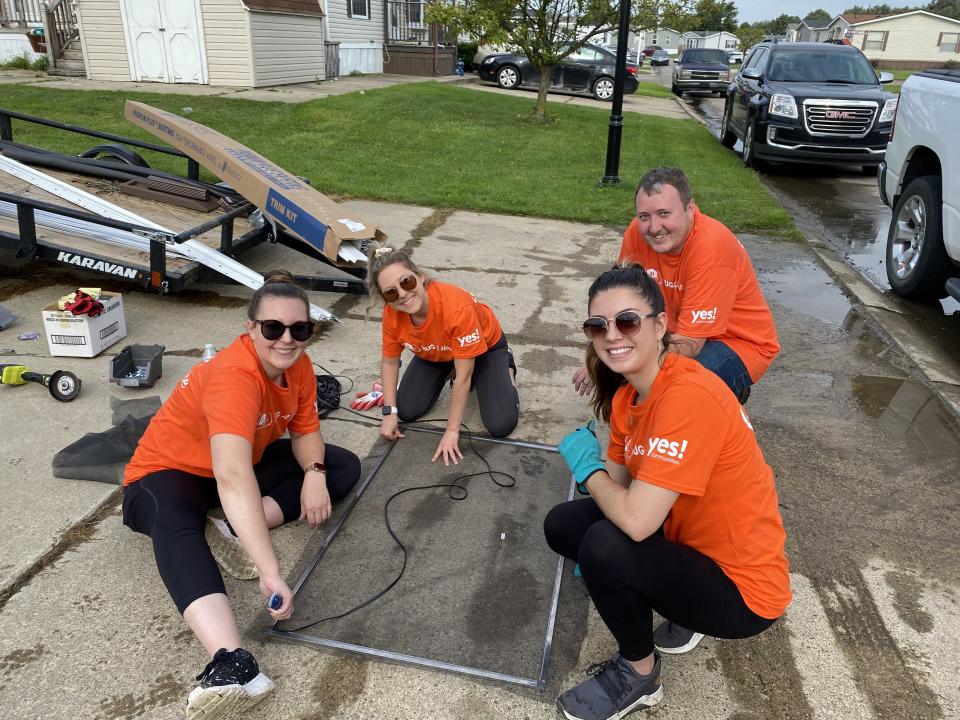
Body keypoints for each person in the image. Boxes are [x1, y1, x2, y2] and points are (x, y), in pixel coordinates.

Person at [546, 265, 791, 720]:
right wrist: (599, 479)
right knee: (564, 525)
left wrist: (588, 467)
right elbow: (616, 494)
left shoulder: (688, 396)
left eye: (628, 321)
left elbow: (634, 521)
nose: (611, 335)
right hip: (687, 544)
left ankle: (639, 675)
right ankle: (652, 589)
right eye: (598, 325)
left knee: (604, 546)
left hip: (743, 589)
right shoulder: (627, 398)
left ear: (660, 326)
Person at [121, 271, 361, 720]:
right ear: (251, 327)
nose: (286, 340)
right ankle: (233, 663)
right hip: (169, 472)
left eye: (299, 330)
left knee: (342, 466)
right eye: (273, 328)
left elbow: (308, 431)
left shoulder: (299, 366)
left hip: (232, 465)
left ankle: (231, 527)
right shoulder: (235, 376)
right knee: (174, 522)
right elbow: (232, 477)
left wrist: (314, 471)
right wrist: (270, 571)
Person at [573, 167, 779, 404]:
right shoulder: (637, 234)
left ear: (689, 209)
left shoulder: (712, 250)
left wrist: (628, 361)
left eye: (664, 213)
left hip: (736, 343)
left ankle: (726, 394)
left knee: (678, 388)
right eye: (644, 216)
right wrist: (600, 358)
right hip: (676, 331)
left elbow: (690, 345)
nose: (653, 227)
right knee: (625, 373)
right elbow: (616, 304)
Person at [366, 245, 518, 465]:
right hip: (437, 351)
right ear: (385, 298)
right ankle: (451, 368)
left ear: (421, 277)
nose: (402, 294)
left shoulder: (456, 308)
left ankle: (507, 367)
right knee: (406, 410)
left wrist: (452, 431)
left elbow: (464, 378)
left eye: (406, 282)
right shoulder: (392, 314)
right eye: (391, 292)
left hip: (486, 348)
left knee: (501, 425)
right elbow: (390, 361)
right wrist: (389, 412)